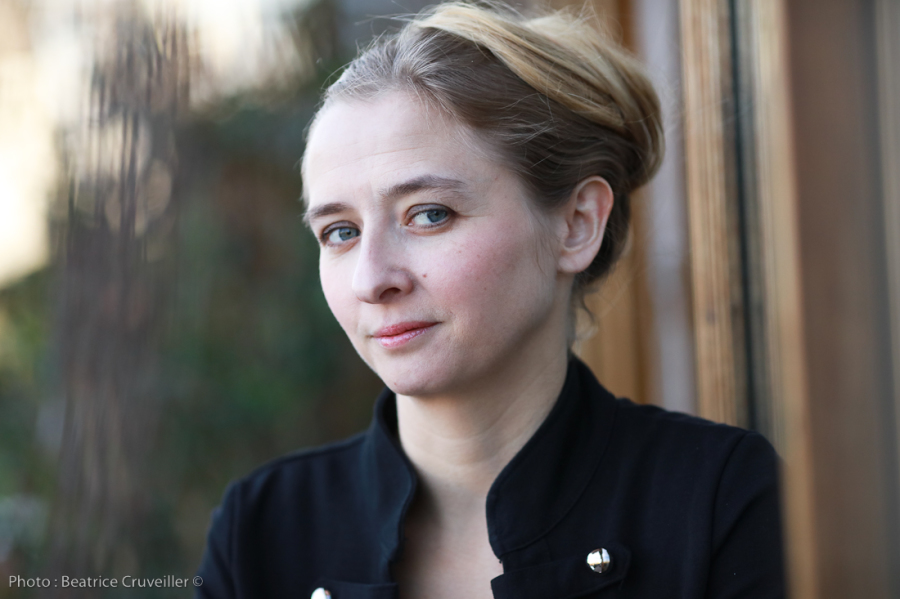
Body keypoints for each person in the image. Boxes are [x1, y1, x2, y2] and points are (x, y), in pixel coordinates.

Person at [195, 3, 785, 598]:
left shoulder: (722, 501)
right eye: (340, 232)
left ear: (577, 223)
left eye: (429, 215)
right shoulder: (260, 533)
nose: (371, 280)